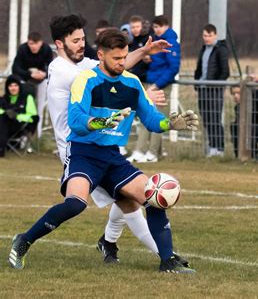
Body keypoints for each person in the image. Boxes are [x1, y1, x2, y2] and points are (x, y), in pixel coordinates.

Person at [8, 28, 199, 273]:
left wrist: (169, 123)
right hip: (83, 153)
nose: (122, 63)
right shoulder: (86, 80)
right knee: (76, 204)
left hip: (112, 157)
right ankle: (24, 240)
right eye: (116, 58)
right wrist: (100, 122)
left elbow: (151, 119)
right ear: (101, 55)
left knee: (153, 199)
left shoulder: (131, 83)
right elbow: (76, 120)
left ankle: (167, 262)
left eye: (124, 57)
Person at [128, 15, 181, 163]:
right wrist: (148, 59)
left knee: (156, 119)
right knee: (147, 117)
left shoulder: (171, 43)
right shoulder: (158, 41)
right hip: (153, 83)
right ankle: (148, 151)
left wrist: (158, 85)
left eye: (158, 27)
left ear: (165, 26)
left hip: (160, 85)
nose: (156, 30)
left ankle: (151, 153)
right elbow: (159, 63)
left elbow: (173, 68)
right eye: (155, 27)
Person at [194, 24, 230, 157]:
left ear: (215, 35)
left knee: (215, 119)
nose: (207, 38)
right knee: (207, 119)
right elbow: (199, 68)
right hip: (202, 90)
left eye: (209, 35)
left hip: (214, 90)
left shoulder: (221, 49)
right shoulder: (203, 49)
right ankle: (212, 147)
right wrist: (197, 83)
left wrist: (216, 85)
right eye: (205, 35)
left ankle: (219, 149)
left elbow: (225, 71)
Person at [12, 31, 53, 138]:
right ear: (27, 42)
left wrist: (44, 74)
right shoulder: (22, 49)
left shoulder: (46, 49)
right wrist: (30, 74)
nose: (34, 46)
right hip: (25, 81)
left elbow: (51, 67)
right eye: (31, 43)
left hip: (42, 81)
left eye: (36, 44)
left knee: (39, 109)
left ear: (41, 43)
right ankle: (22, 137)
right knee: (25, 108)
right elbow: (15, 69)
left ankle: (37, 138)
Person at [0, 75, 39, 157]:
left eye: (15, 85)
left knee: (3, 119)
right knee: (3, 117)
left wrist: (16, 116)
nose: (13, 88)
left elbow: (33, 116)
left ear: (19, 87)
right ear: (7, 88)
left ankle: (1, 148)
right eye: (10, 86)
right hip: (4, 125)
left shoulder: (27, 98)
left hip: (19, 126)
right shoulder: (3, 99)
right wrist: (6, 113)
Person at [230, 85, 240, 158]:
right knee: (233, 126)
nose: (235, 96)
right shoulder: (237, 107)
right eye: (233, 94)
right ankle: (237, 154)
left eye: (238, 93)